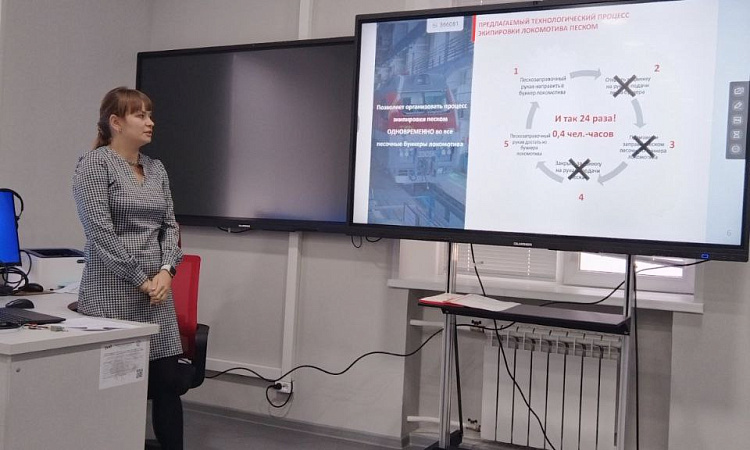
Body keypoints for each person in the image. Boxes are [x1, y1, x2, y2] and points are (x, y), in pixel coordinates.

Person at [72, 87, 184, 449]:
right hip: (112, 293)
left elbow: (170, 226)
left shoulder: (156, 168)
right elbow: (99, 232)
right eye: (140, 115)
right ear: (116, 122)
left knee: (168, 383)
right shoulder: (94, 165)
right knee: (117, 390)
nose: (150, 122)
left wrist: (166, 271)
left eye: (150, 115)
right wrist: (141, 279)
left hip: (157, 294)